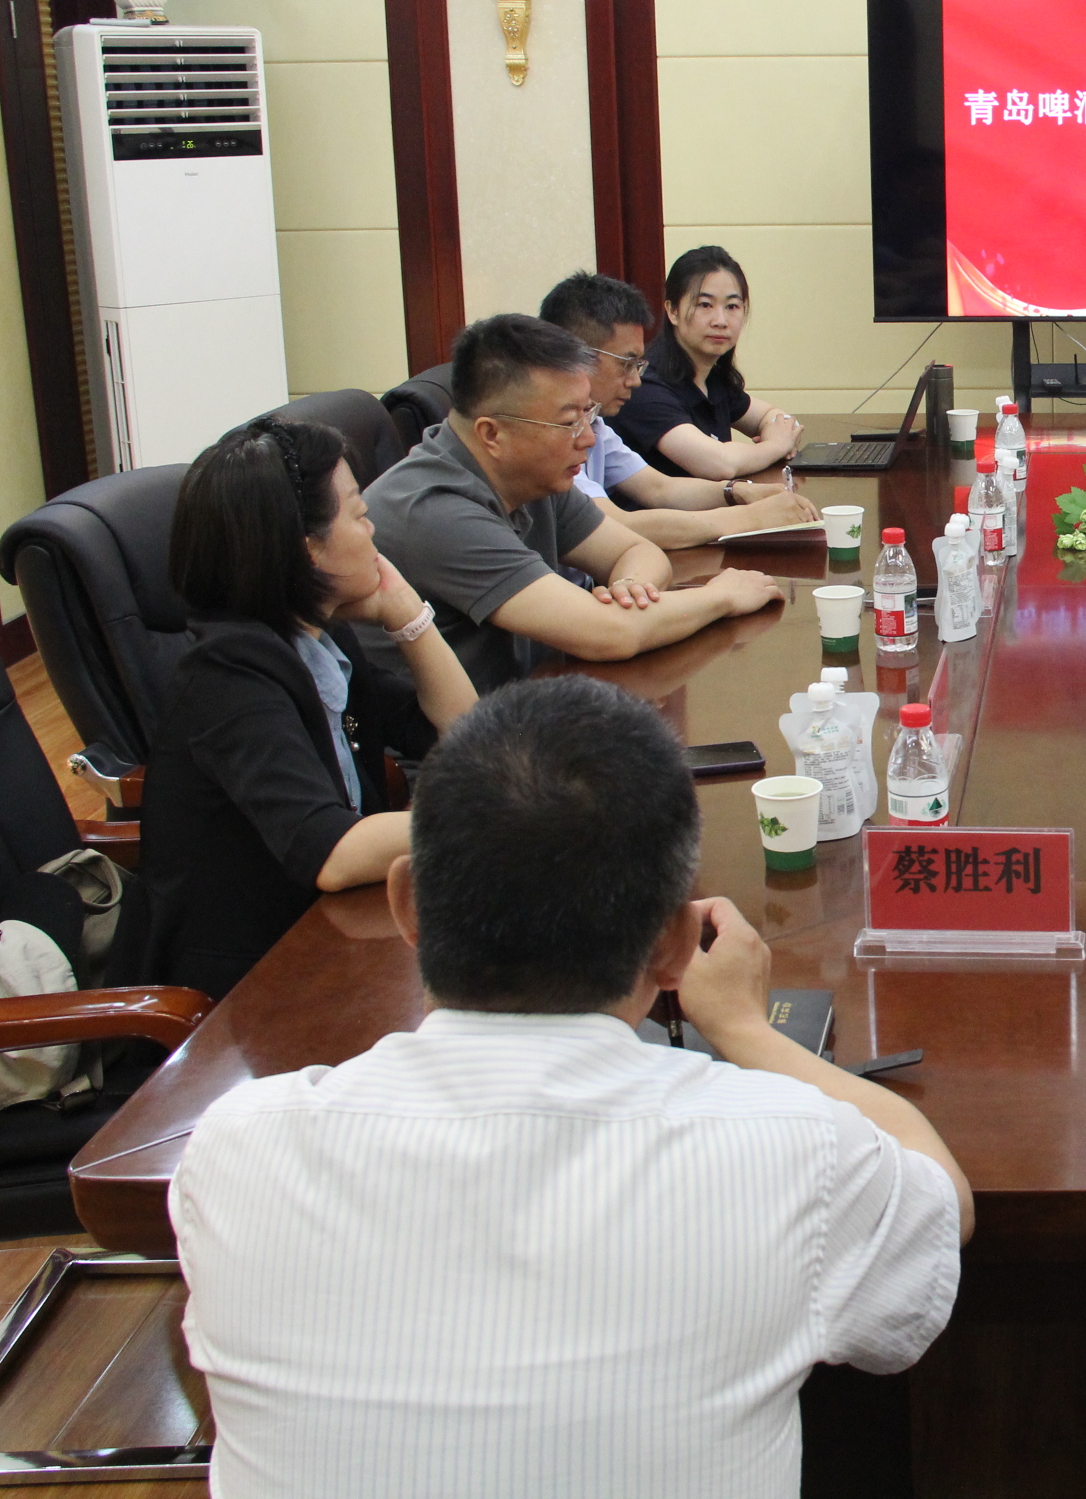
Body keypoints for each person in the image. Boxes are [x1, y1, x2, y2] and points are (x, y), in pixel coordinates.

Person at [172, 677, 971, 1498]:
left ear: (407, 902)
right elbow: (940, 1199)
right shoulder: (794, 1153)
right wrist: (744, 1027)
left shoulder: (235, 1151)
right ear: (675, 945)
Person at [139, 417, 476, 998]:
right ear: (310, 551)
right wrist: (499, 818)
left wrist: (408, 617)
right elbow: (332, 852)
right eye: (358, 514)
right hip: (245, 991)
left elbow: (464, 735)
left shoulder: (316, 639)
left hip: (337, 936)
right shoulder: (230, 673)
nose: (372, 529)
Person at [364, 312, 784, 693]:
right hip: (456, 743)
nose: (588, 438)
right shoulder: (436, 511)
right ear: (492, 434)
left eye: (589, 414)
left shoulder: (529, 476)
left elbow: (637, 550)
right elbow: (609, 635)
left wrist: (629, 591)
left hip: (530, 697)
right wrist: (722, 596)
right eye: (569, 422)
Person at [537, 270, 822, 545]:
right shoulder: (549, 434)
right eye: (626, 364)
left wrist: (738, 492)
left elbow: (659, 488)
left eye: (733, 306)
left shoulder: (595, 424)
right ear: (578, 357)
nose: (635, 380)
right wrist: (751, 517)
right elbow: (613, 527)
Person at [609, 244, 805, 480]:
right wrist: (777, 446)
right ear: (673, 311)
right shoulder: (645, 384)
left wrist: (779, 434)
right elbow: (718, 464)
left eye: (732, 306)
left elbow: (775, 417)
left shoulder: (710, 375)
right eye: (705, 305)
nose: (720, 320)